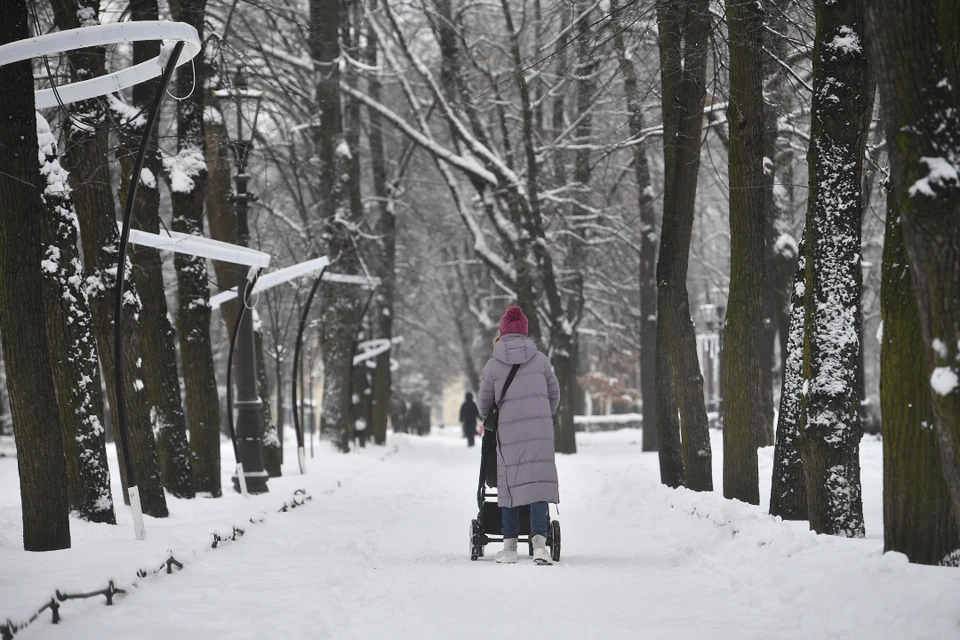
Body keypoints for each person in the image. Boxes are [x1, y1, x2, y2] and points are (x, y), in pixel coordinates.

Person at [478, 306, 560, 565]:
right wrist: (541, 416)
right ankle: (539, 545)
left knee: (509, 483)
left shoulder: (493, 365)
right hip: (540, 432)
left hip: (508, 432)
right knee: (536, 485)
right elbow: (554, 395)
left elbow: (483, 406)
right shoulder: (542, 361)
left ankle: (510, 547)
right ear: (525, 332)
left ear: (503, 332)